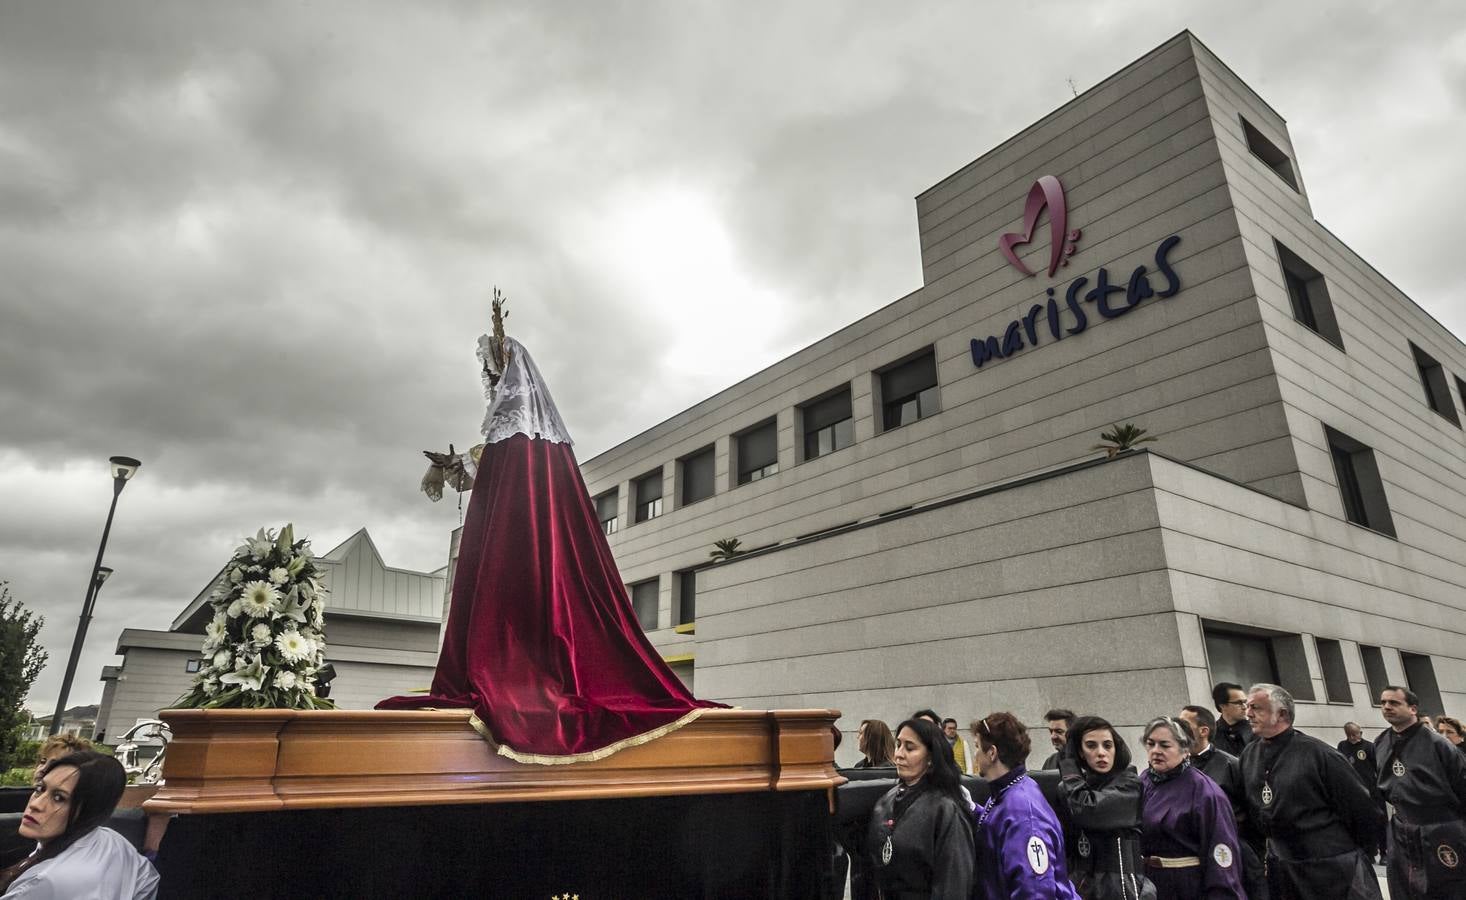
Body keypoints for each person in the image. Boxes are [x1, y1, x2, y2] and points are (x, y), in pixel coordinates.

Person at [1240, 683, 1382, 898]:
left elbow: (1362, 811)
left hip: (1331, 866)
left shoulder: (1320, 754)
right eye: (1247, 707)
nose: (1248, 713)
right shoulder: (1249, 755)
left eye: (1256, 707)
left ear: (1282, 714)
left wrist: (1348, 854)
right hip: (1282, 865)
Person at [0, 750, 159, 898]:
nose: (36, 804)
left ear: (89, 811)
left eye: (59, 798)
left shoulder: (43, 881)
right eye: (40, 788)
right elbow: (149, 879)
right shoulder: (114, 842)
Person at [970, 712, 1079, 900]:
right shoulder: (1007, 792)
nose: (975, 754)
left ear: (992, 752)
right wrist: (971, 809)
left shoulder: (1023, 810)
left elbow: (1035, 890)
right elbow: (997, 825)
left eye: (978, 747)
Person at [863, 718, 973, 899]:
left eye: (910, 748)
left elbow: (954, 884)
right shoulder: (887, 800)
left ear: (931, 757)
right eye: (898, 745)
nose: (899, 754)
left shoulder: (947, 809)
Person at [1373, 686, 1466, 899]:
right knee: (1405, 886)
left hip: (1440, 828)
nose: (1387, 707)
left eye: (1394, 703)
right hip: (1402, 827)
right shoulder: (1380, 742)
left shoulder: (1438, 745)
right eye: (1383, 702)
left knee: (1446, 889)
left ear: (1413, 708)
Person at [1138, 717, 1243, 899]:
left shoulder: (1206, 793)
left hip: (1187, 887)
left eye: (1165, 745)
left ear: (1185, 749)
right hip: (1148, 886)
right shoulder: (1143, 781)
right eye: (1151, 744)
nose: (1156, 751)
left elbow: (1221, 851)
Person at [1056, 715, 1156, 900]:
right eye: (1091, 746)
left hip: (1122, 886)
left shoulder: (1129, 784)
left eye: (1107, 745)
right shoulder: (1069, 789)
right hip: (1082, 883)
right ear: (1079, 751)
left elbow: (1087, 810)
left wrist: (1069, 767)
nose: (1101, 753)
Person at [1178, 705, 1266, 899]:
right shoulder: (1175, 768)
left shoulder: (1231, 765)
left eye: (1185, 724)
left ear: (1203, 731)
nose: (1178, 729)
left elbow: (1255, 814)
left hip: (1233, 854)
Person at [1336, 721, 1386, 864]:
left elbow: (1378, 768)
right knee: (1362, 823)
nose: (1354, 737)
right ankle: (1368, 852)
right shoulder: (1342, 746)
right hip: (1354, 791)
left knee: (1380, 821)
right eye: (1350, 735)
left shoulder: (1369, 747)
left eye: (1356, 733)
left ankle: (1384, 852)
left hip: (1372, 791)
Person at [1210, 683, 1253, 757]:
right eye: (1239, 703)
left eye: (1245, 702)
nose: (1245, 707)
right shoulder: (1211, 735)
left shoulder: (1257, 728)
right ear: (1223, 705)